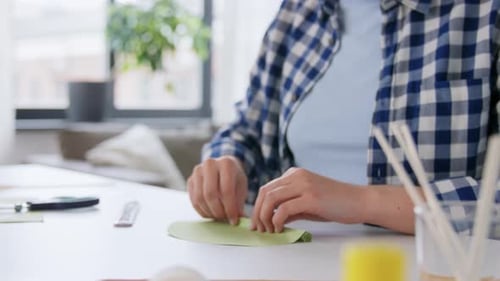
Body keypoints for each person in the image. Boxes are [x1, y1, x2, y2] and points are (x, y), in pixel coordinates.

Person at [187, 0, 500, 234]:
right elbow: (248, 130)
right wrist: (228, 162)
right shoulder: (298, 11)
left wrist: (363, 202)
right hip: (294, 264)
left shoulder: (485, 13)